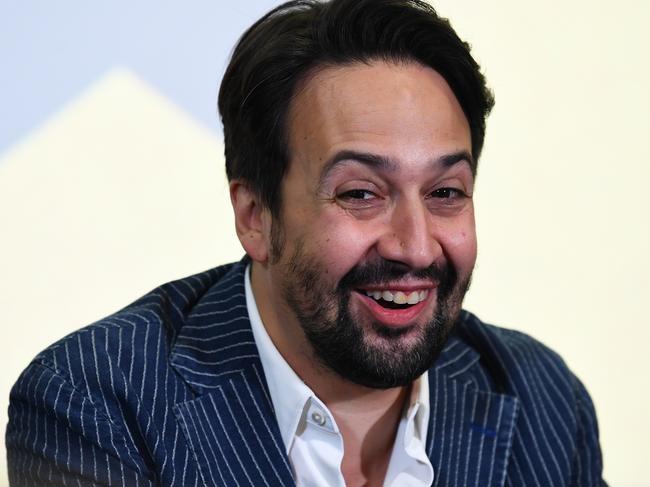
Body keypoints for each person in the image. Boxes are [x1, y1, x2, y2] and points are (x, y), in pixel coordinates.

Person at [6, 0, 606, 485]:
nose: (416, 248)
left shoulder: (542, 397)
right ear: (255, 217)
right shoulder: (98, 402)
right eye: (361, 194)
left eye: (446, 193)